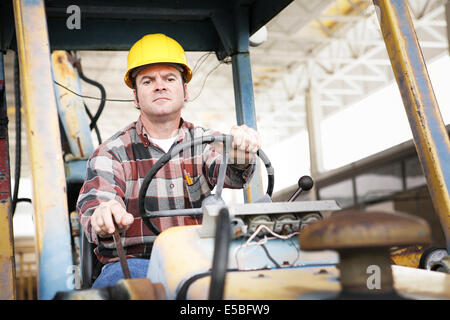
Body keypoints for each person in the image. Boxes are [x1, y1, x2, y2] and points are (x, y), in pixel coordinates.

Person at [76, 33, 261, 288]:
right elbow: (98, 198)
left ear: (185, 91)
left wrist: (240, 156)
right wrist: (105, 212)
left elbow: (228, 169)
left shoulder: (207, 142)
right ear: (136, 96)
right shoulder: (111, 152)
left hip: (201, 257)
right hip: (135, 262)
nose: (159, 86)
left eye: (169, 78)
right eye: (148, 80)